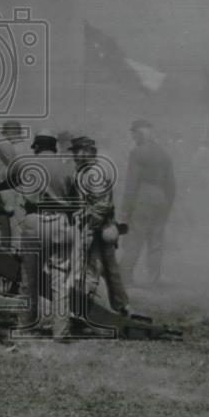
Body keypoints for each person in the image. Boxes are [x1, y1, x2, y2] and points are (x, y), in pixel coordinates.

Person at [14, 130, 79, 339]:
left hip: (34, 221)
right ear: (54, 148)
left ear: (36, 148)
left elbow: (15, 192)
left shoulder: (28, 164)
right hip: (61, 221)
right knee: (60, 280)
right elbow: (76, 199)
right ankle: (61, 331)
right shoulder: (68, 165)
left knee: (29, 279)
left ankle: (25, 326)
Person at [70, 135, 130, 316]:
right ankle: (122, 306)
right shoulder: (90, 170)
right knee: (110, 270)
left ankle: (82, 309)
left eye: (78, 151)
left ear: (88, 152)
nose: (75, 155)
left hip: (97, 228)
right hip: (103, 227)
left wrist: (88, 228)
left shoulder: (93, 172)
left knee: (92, 268)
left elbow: (102, 205)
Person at [119, 119, 176, 286]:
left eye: (134, 134)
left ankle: (125, 277)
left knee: (135, 238)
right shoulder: (164, 153)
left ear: (138, 133)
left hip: (143, 197)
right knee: (156, 242)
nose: (133, 137)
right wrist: (167, 206)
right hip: (161, 198)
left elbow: (132, 183)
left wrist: (126, 209)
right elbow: (171, 184)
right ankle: (154, 280)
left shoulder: (138, 153)